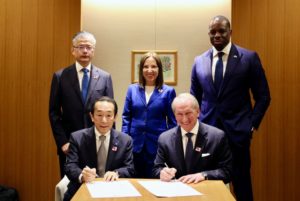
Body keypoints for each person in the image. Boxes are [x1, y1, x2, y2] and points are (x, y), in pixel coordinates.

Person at [190, 15, 271, 201]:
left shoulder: (249, 58)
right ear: (208, 34)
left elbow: (263, 96)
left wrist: (251, 124)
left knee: (241, 184)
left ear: (230, 32)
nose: (217, 35)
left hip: (237, 133)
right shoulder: (199, 61)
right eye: (213, 32)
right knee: (203, 183)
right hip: (207, 134)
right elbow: (194, 98)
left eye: (221, 31)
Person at [49, 31, 114, 178]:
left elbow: (110, 113)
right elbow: (54, 113)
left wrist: (110, 143)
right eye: (81, 47)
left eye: (89, 47)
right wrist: (63, 142)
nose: (85, 51)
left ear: (93, 51)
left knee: (97, 187)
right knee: (70, 187)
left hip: (98, 143)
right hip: (70, 145)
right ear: (73, 50)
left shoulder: (104, 77)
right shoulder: (60, 76)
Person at [63, 97, 134, 201]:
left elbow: (130, 168)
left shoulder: (125, 140)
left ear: (115, 117)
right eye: (99, 115)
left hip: (113, 192)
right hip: (82, 190)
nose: (104, 120)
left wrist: (116, 173)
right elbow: (70, 166)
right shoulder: (77, 138)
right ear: (92, 116)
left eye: (109, 115)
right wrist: (82, 175)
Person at [153, 93, 232, 184]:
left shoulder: (217, 137)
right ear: (174, 115)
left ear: (198, 112)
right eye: (179, 114)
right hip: (177, 192)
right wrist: (162, 173)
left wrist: (204, 175)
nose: (185, 119)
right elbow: (157, 169)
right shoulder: (164, 139)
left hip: (206, 191)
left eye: (188, 113)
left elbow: (227, 171)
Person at [122, 52, 177, 178]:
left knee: (155, 181)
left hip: (157, 146)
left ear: (159, 69)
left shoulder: (168, 91)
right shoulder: (132, 89)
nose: (150, 70)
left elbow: (173, 122)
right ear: (141, 69)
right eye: (146, 66)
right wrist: (125, 141)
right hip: (134, 145)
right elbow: (126, 117)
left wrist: (168, 143)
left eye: (154, 66)